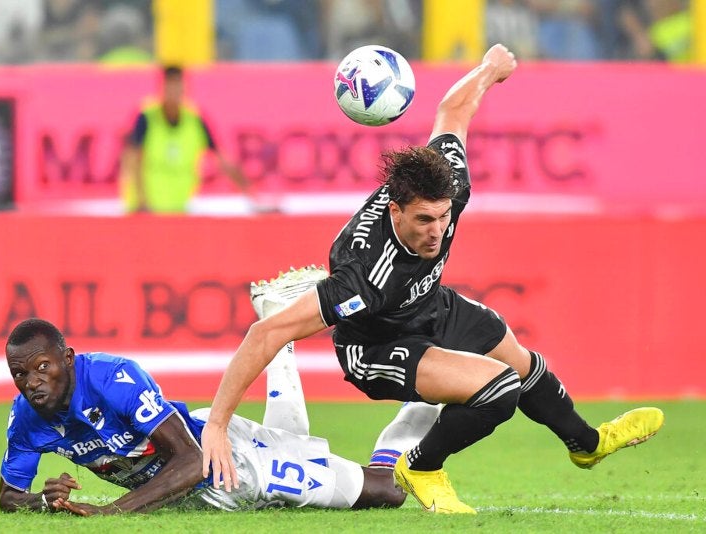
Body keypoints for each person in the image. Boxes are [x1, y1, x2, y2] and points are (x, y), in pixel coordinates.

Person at [200, 43, 665, 514]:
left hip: (428, 305)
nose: (438, 232)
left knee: (522, 362)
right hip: (376, 346)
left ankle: (587, 443)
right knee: (498, 389)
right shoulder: (364, 277)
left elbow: (453, 109)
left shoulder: (448, 183)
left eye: (443, 217)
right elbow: (266, 333)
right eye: (424, 220)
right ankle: (420, 466)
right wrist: (217, 425)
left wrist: (489, 69)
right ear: (395, 209)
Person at [0, 271, 423, 515]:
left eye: (42, 368)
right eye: (20, 374)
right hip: (184, 489)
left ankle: (421, 403)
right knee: (292, 446)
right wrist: (43, 502)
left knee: (387, 492)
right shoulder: (26, 419)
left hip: (228, 462)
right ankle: (281, 341)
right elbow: (9, 498)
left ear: (67, 359)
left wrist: (112, 512)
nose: (32, 382)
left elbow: (195, 460)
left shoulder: (113, 379)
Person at [120, 65, 251, 214]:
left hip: (179, 208)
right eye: (171, 87)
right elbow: (132, 160)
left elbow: (221, 159)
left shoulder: (194, 119)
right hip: (147, 209)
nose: (174, 93)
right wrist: (142, 201)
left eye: (178, 86)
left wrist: (249, 193)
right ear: (162, 88)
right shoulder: (147, 117)